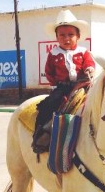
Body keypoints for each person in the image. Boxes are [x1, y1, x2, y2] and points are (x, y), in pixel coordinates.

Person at [32, 9, 96, 154]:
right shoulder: (53, 54)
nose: (66, 38)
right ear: (56, 37)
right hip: (63, 88)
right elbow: (49, 72)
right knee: (49, 105)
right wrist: (56, 84)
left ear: (78, 36)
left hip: (83, 85)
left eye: (71, 35)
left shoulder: (84, 52)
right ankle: (41, 133)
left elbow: (90, 64)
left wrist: (89, 70)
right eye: (62, 35)